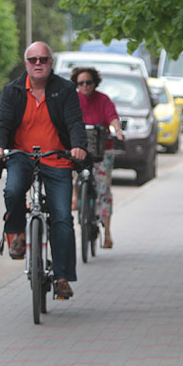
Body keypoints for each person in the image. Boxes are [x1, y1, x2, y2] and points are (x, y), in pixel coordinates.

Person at [0, 42, 87, 298]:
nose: (38, 63)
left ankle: (63, 278)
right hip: (23, 156)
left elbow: (75, 122)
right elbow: (2, 122)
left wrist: (78, 147)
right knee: (13, 190)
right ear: (26, 64)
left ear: (51, 63)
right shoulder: (13, 90)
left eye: (43, 59)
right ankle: (17, 234)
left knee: (63, 217)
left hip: (57, 158)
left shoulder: (64, 89)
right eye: (33, 60)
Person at [70, 67, 125, 249]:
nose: (85, 86)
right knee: (72, 169)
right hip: (80, 149)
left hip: (102, 149)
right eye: (80, 83)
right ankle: (76, 195)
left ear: (95, 83)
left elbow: (112, 116)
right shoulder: (73, 100)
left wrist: (117, 131)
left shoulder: (103, 99)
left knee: (103, 190)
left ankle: (107, 233)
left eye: (88, 82)